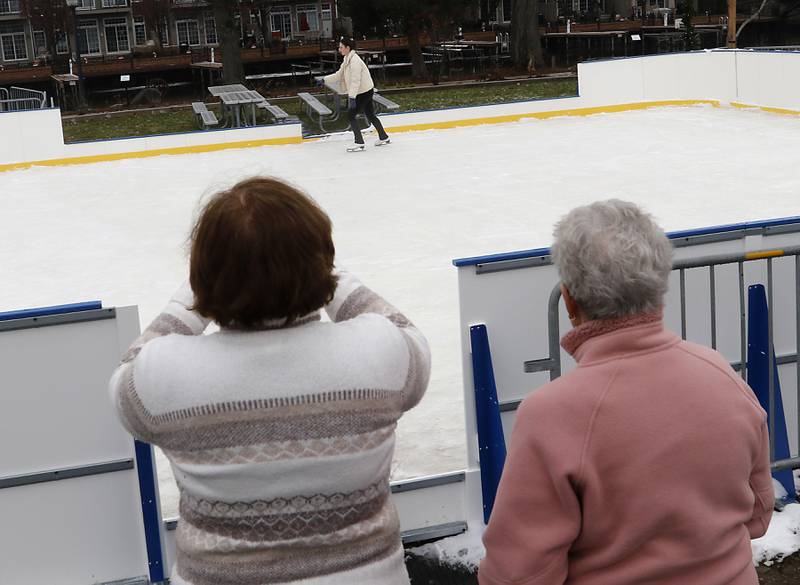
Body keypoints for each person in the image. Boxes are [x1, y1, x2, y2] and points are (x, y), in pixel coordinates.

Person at [109, 177, 430, 585]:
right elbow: (409, 335)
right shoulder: (381, 352)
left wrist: (195, 297)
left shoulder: (163, 376)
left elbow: (126, 374)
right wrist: (327, 276)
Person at [479, 200, 773, 585]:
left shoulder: (551, 414)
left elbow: (516, 574)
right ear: (659, 286)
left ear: (568, 300)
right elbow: (759, 512)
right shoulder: (719, 372)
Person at [322, 37, 390, 152]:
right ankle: (383, 137)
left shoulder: (355, 61)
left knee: (351, 115)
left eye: (341, 47)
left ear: (348, 48)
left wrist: (352, 97)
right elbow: (339, 74)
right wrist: (324, 80)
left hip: (363, 92)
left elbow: (355, 81)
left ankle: (359, 142)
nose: (339, 49)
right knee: (370, 114)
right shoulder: (347, 59)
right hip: (364, 91)